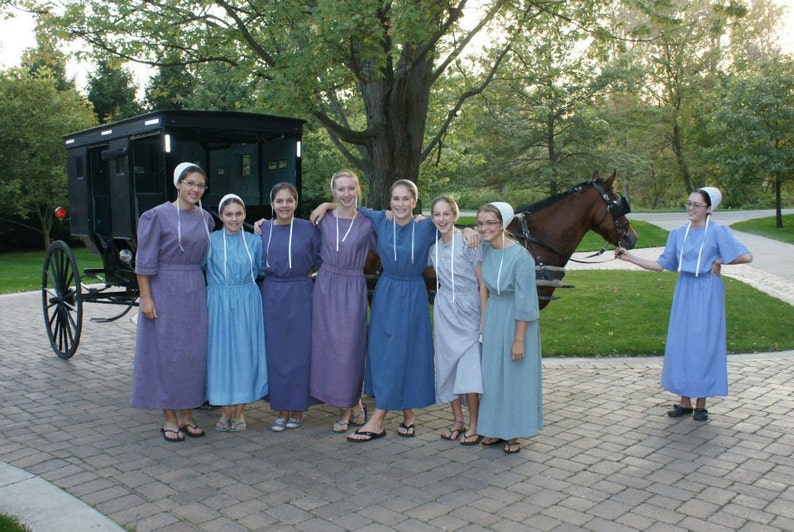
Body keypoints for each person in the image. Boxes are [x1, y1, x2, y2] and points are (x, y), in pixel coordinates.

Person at [311, 179, 436, 442]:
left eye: (406, 199)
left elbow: (451, 229)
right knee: (384, 354)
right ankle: (405, 414)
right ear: (389, 202)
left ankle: (382, 419)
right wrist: (327, 203)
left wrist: (467, 232)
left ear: (415, 201)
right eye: (396, 199)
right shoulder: (380, 220)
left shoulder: (427, 226)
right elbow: (350, 205)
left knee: (407, 352)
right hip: (386, 293)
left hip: (412, 294)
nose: (400, 204)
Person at [615, 187, 752, 421]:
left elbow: (746, 256)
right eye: (689, 203)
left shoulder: (718, 232)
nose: (690, 208)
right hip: (685, 289)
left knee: (703, 344)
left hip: (708, 291)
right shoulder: (678, 234)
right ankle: (684, 402)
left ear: (709, 209)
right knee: (682, 343)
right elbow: (662, 265)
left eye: (696, 205)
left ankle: (701, 403)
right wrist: (630, 257)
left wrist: (719, 260)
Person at [130, 162, 214, 443]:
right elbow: (144, 262)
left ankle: (188, 415)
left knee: (192, 354)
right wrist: (146, 297)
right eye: (189, 183)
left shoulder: (206, 219)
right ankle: (169, 417)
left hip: (194, 288)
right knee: (166, 354)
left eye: (200, 185)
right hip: (164, 286)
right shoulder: (156, 216)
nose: (195, 189)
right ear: (178, 184)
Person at [309, 169, 375, 433]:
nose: (346, 194)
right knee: (328, 349)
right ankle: (349, 404)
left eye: (351, 188)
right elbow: (304, 242)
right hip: (325, 287)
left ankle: (348, 407)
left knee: (349, 350)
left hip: (352, 288)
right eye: (340, 189)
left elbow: (393, 241)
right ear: (333, 192)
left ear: (358, 189)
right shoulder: (322, 219)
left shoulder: (368, 223)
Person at [476, 202, 542, 454]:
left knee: (514, 376)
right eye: (480, 223)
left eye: (490, 223)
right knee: (492, 375)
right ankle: (494, 428)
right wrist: (484, 319)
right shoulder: (486, 249)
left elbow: (526, 302)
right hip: (494, 315)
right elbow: (484, 284)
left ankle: (513, 432)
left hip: (516, 320)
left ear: (503, 224)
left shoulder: (521, 258)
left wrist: (519, 339)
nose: (484, 228)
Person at [260, 183, 321, 432]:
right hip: (273, 293)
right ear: (272, 204)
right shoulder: (263, 229)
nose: (284, 205)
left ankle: (298, 408)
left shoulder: (309, 228)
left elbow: (320, 258)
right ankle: (280, 408)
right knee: (276, 353)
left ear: (296, 202)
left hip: (301, 292)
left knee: (300, 352)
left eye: (289, 200)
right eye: (279, 201)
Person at [205, 194, 268, 433]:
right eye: (228, 214)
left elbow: (262, 266)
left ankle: (240, 411)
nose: (234, 219)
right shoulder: (209, 241)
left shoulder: (254, 241)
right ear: (221, 216)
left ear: (245, 215)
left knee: (243, 354)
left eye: (238, 214)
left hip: (246, 301)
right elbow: (198, 264)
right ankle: (225, 410)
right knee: (220, 355)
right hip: (218, 301)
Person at [429, 195, 487, 445]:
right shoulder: (433, 248)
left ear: (455, 216)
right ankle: (457, 420)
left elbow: (482, 284)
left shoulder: (469, 243)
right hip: (444, 310)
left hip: (468, 309)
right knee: (447, 365)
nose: (441, 219)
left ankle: (475, 423)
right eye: (436, 214)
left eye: (446, 214)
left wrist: (483, 318)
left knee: (469, 368)